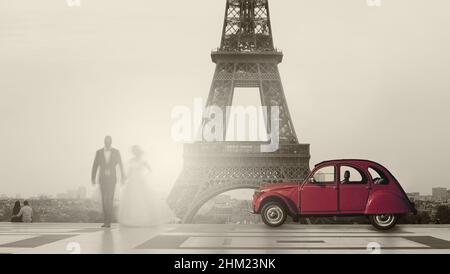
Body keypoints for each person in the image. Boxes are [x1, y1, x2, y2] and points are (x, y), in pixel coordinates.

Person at [91, 136, 126, 228]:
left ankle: (108, 222)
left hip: (112, 179)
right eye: (106, 141)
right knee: (104, 200)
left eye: (109, 141)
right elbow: (95, 165)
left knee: (109, 200)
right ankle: (105, 220)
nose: (107, 142)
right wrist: (93, 178)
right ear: (104, 142)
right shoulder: (98, 152)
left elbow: (121, 165)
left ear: (111, 142)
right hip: (102, 179)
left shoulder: (116, 152)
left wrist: (123, 177)